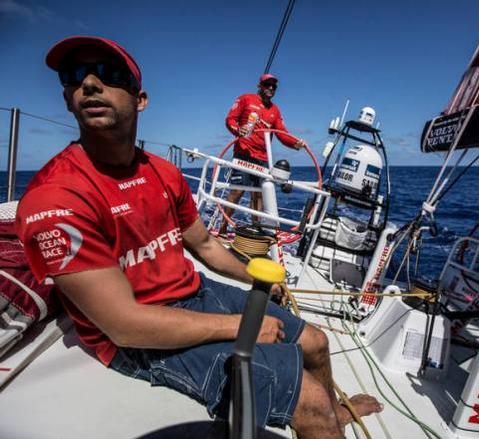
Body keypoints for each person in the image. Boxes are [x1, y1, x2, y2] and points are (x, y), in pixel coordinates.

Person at [16, 36, 381, 439]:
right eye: (74, 77)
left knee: (315, 342)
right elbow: (124, 325)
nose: (89, 84)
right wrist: (238, 326)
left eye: (108, 74)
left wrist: (263, 280)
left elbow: (205, 245)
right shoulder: (57, 198)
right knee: (310, 405)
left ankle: (333, 411)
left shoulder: (162, 172)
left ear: (140, 100)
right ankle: (323, 418)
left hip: (193, 291)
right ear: (68, 98)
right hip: (135, 340)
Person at [220, 73, 306, 234]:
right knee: (237, 190)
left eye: (274, 86)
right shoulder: (246, 99)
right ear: (260, 86)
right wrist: (239, 130)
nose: (271, 88)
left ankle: (255, 229)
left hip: (263, 158)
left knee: (259, 195)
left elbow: (281, 133)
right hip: (243, 153)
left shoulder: (275, 110)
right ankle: (223, 228)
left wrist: (296, 144)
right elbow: (230, 120)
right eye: (267, 85)